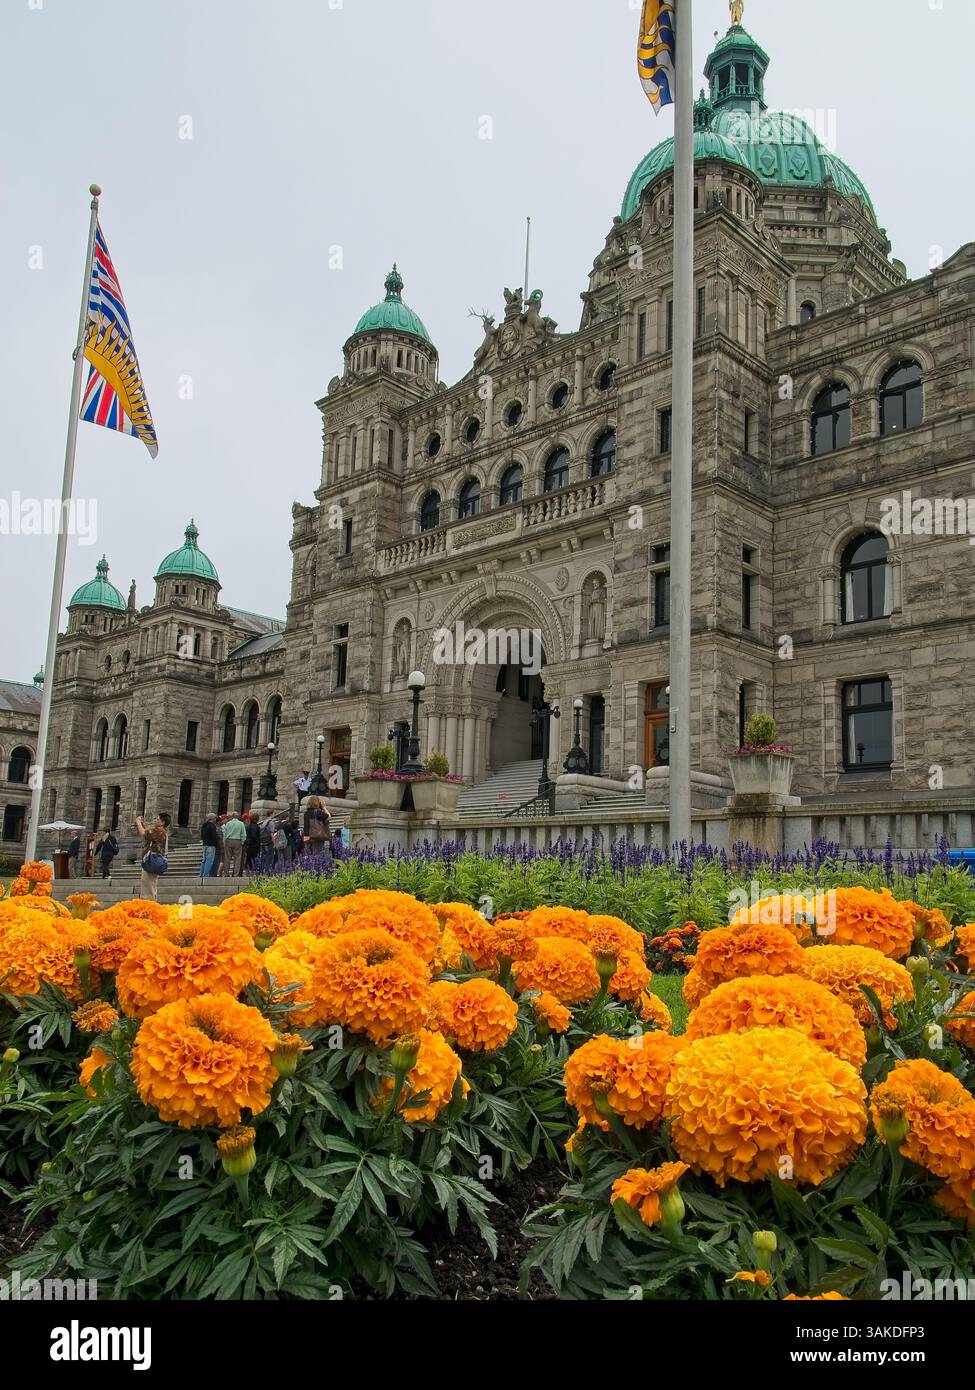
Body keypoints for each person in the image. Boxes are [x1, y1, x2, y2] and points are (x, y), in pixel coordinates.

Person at [135, 812, 170, 901]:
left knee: (147, 887)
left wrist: (138, 822)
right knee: (151, 886)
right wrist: (143, 824)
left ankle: (148, 909)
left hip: (151, 861)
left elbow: (144, 833)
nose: (155, 821)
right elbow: (148, 833)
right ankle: (151, 907)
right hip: (154, 861)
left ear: (163, 822)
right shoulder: (162, 832)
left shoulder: (159, 831)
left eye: (158, 819)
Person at [222, 812, 246, 877]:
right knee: (237, 858)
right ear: (238, 817)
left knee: (227, 858)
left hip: (228, 840)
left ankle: (226, 873)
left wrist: (224, 842)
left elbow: (225, 833)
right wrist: (242, 842)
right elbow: (243, 834)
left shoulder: (228, 823)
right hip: (237, 840)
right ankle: (235, 874)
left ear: (232, 817)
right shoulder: (241, 823)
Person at [200, 814, 219, 879]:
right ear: (213, 819)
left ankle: (201, 874)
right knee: (209, 861)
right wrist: (216, 844)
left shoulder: (204, 825)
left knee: (204, 860)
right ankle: (205, 875)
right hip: (211, 845)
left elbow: (202, 835)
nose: (216, 819)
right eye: (215, 818)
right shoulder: (212, 826)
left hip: (205, 845)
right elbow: (214, 836)